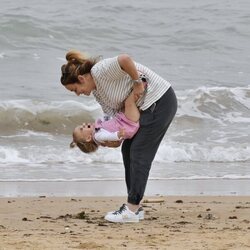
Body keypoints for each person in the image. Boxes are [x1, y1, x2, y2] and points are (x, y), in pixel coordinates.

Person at [60, 50, 177, 223]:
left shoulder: (100, 71)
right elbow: (117, 119)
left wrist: (137, 83)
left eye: (74, 89)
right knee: (127, 150)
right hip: (143, 109)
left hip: (159, 100)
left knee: (138, 153)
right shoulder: (99, 94)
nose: (77, 94)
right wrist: (113, 140)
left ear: (82, 79)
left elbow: (125, 59)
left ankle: (131, 209)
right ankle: (135, 208)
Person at [70, 89, 141, 153]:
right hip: (128, 123)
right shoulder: (98, 136)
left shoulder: (98, 129)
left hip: (125, 121)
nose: (83, 124)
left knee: (128, 104)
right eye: (82, 128)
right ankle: (142, 84)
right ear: (88, 138)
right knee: (129, 102)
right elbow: (108, 136)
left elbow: (107, 117)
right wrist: (117, 135)